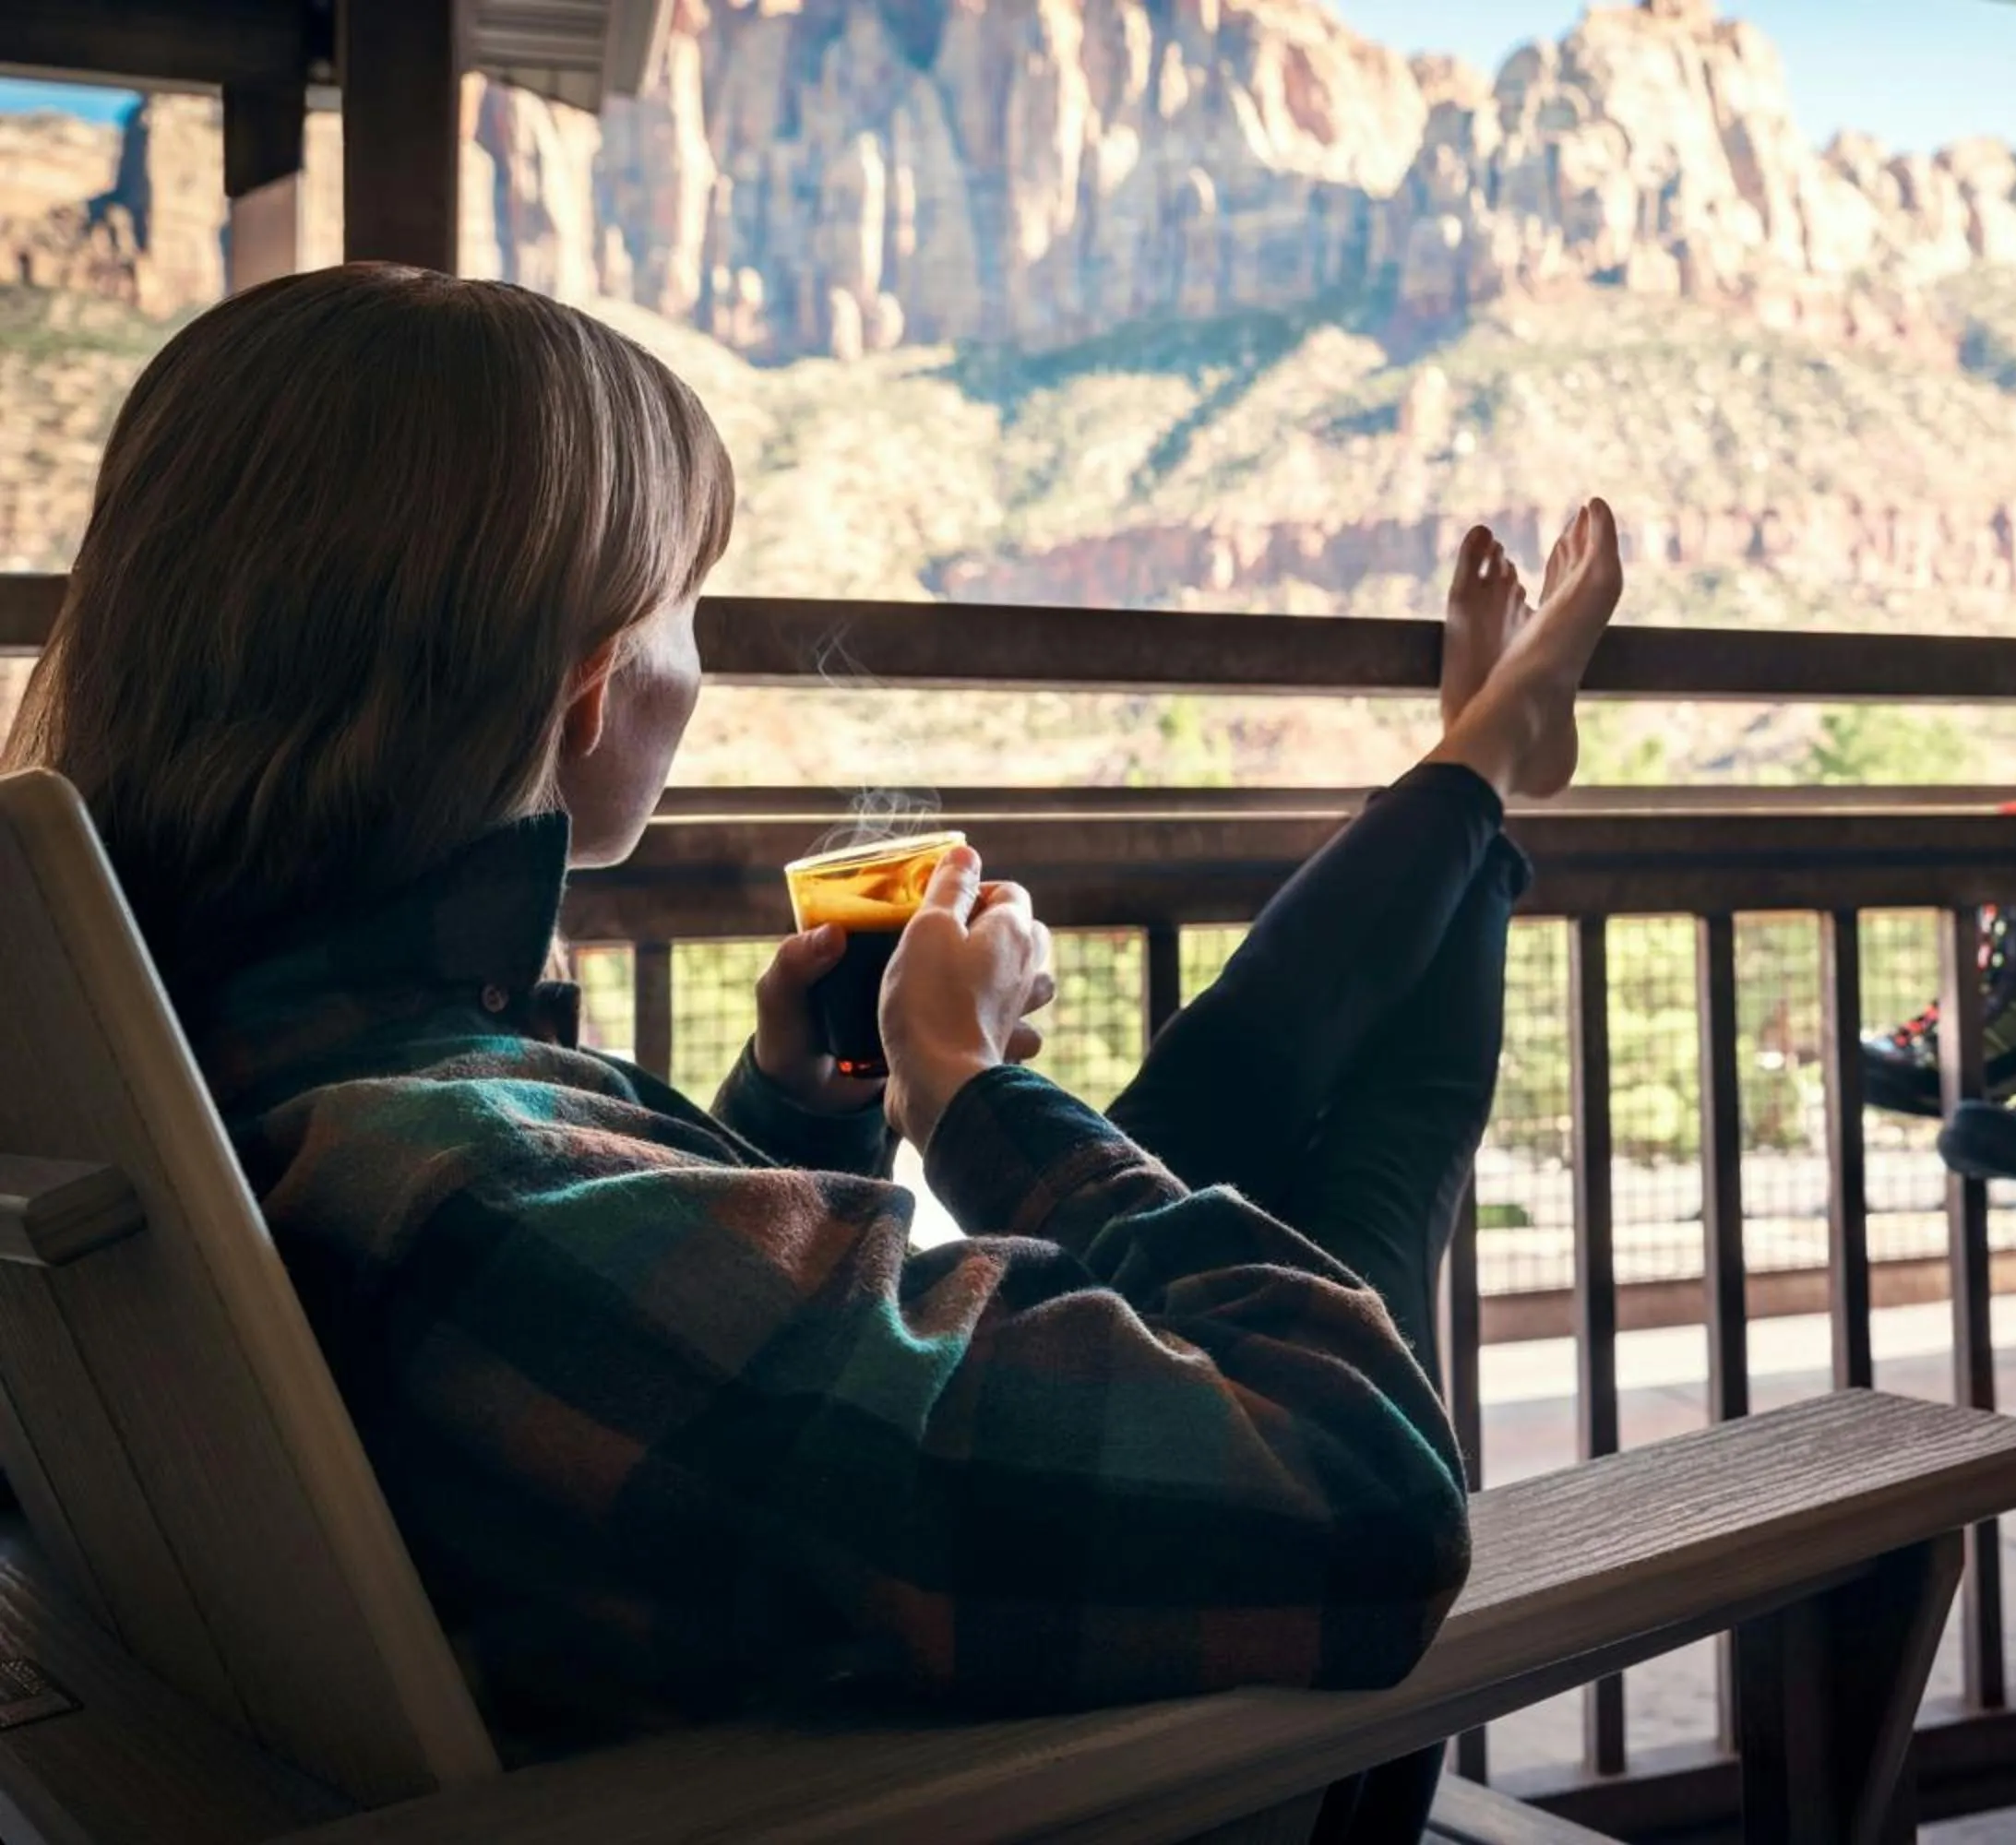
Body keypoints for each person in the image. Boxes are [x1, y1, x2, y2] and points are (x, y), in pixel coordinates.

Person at [2, 265, 1624, 1836]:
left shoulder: (211, 1059)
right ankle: (1484, 773)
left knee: (1235, 1095)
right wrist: (974, 1093)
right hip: (1133, 1783)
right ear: (584, 693)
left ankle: (1477, 773)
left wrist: (794, 1109)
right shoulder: (471, 1203)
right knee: (1379, 1159)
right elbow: (1365, 1486)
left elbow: (694, 1379)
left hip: (745, 1658)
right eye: (686, 611)